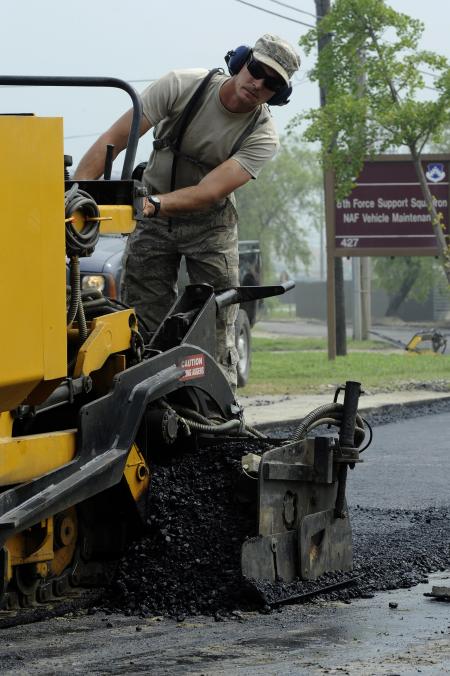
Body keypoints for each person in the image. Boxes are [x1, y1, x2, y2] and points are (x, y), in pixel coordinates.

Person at [74, 34, 301, 389]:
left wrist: (153, 205)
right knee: (141, 321)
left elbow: (208, 191)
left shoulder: (263, 135)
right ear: (241, 62)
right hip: (151, 215)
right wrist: (74, 198)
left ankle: (218, 418)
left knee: (215, 322)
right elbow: (112, 141)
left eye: (272, 83)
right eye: (257, 70)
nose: (258, 84)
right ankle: (140, 405)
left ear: (278, 96)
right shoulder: (181, 85)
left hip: (210, 226)